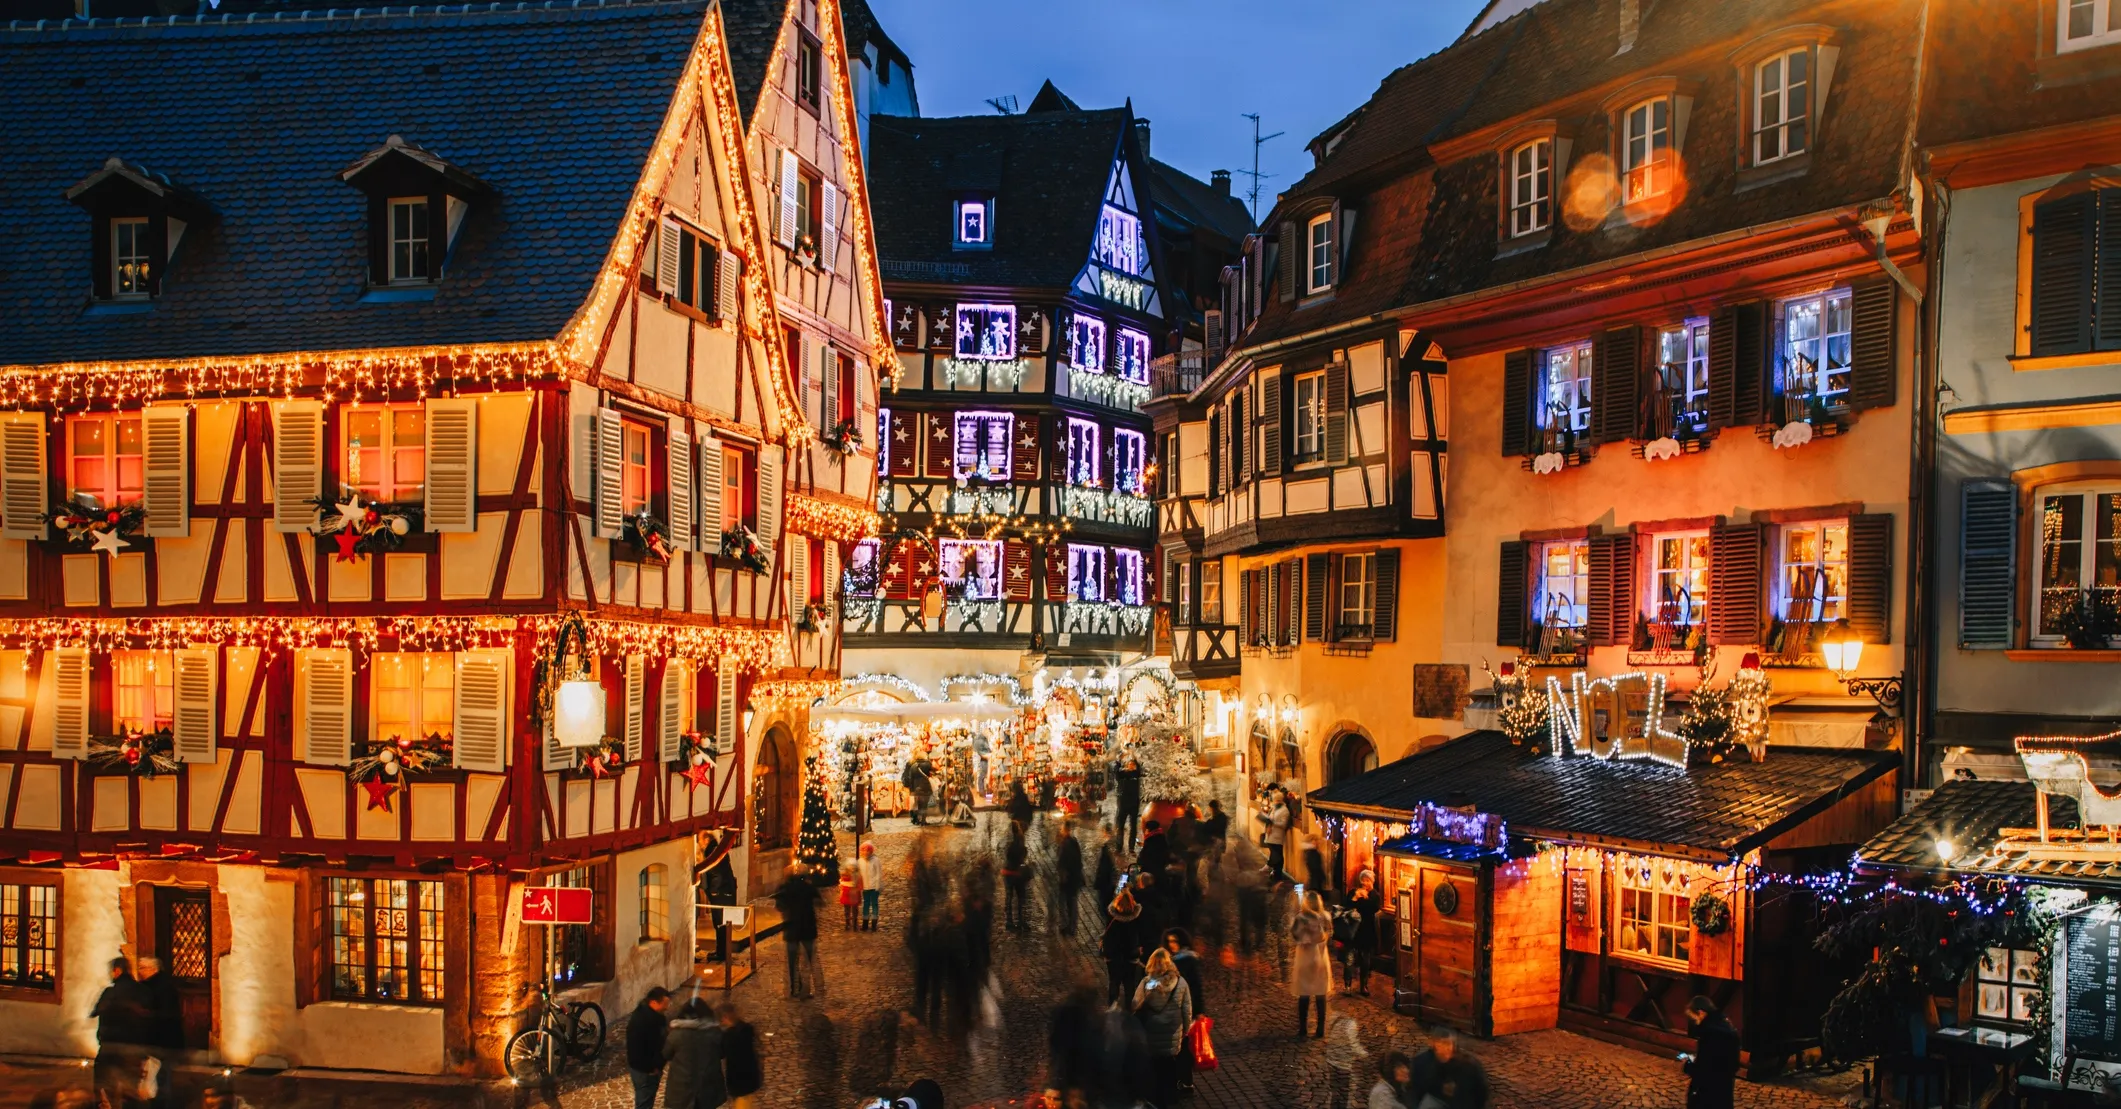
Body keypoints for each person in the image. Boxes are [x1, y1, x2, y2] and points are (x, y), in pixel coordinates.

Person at [1130, 948, 1194, 1109]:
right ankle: (1169, 1097)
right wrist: (1184, 1031)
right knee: (1169, 1067)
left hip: (1151, 1033)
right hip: (1173, 1033)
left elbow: (1135, 1005)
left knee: (1153, 1068)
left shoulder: (1146, 982)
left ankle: (1155, 1100)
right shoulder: (1180, 982)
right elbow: (1187, 1010)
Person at [92, 957, 146, 1109]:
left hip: (111, 1046)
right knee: (131, 1089)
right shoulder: (142, 992)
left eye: (113, 971)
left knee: (104, 1083)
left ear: (117, 971)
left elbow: (96, 1011)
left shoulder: (111, 992)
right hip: (135, 1048)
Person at [661, 996, 725, 1109]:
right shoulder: (715, 1032)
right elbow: (722, 1053)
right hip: (708, 1087)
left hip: (681, 1088)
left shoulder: (677, 1035)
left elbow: (666, 1054)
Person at [772, 865, 824, 999]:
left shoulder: (784, 889)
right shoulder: (808, 888)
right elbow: (820, 902)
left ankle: (793, 989)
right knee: (809, 960)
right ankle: (811, 989)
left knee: (792, 962)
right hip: (807, 928)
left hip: (792, 929)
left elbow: (779, 906)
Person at [1408, 1027, 1490, 1109]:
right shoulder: (1422, 1062)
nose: (1445, 1048)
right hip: (1435, 1098)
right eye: (1441, 1043)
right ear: (1433, 1044)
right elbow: (1416, 1090)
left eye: (1448, 1043)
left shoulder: (1469, 1064)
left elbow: (1481, 1092)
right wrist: (1440, 1087)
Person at [1683, 996, 1741, 1109]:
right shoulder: (1727, 1026)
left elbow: (1704, 1067)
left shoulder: (1709, 1033)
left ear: (1701, 1013)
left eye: (1694, 1019)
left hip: (1707, 1090)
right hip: (1725, 1086)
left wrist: (1688, 1066)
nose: (1696, 1022)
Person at [1291, 890, 1333, 1038]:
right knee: (1320, 993)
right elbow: (1330, 934)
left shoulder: (1301, 918)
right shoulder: (1325, 917)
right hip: (1321, 958)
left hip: (1305, 958)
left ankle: (1303, 1028)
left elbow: (1294, 934)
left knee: (1304, 993)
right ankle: (1320, 1028)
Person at [625, 987, 673, 1109]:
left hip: (650, 1069)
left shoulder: (654, 1016)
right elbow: (637, 1050)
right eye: (664, 1004)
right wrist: (652, 1068)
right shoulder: (642, 1021)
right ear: (653, 1002)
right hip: (645, 1071)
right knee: (644, 1103)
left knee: (647, 1100)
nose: (667, 1007)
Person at [1101, 889, 1145, 1004]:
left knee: (1114, 982)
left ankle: (1112, 1006)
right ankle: (1130, 1008)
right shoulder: (1136, 919)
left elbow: (1108, 935)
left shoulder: (1112, 917)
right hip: (1130, 955)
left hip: (1113, 956)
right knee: (1129, 984)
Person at [716, 1003, 761, 1109]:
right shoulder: (747, 1029)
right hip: (750, 1077)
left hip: (739, 1081)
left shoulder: (729, 1036)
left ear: (725, 1017)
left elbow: (721, 1053)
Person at [1345, 868, 1382, 994]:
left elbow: (1372, 909)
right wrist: (1356, 897)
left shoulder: (1375, 895)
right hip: (1353, 930)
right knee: (1350, 958)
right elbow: (1347, 906)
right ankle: (1347, 985)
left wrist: (1364, 899)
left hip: (1367, 931)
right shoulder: (1354, 892)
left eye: (1368, 880)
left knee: (1366, 960)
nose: (1365, 883)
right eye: (1363, 880)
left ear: (1372, 881)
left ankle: (1363, 985)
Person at [1325, 1016, 1370, 1109]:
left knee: (1335, 1092)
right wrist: (1364, 1054)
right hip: (1343, 1064)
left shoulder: (1336, 1019)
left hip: (1331, 1061)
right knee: (1343, 1093)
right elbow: (1353, 1044)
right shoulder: (1351, 1025)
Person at [1054, 820, 1085, 936]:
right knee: (1072, 902)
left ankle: (1068, 926)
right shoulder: (1074, 842)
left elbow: (1061, 863)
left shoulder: (1065, 844)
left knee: (1066, 903)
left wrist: (1062, 875)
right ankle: (1071, 926)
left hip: (1068, 879)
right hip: (1075, 877)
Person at [1003, 821, 1033, 931]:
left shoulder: (1009, 842)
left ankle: (1009, 921)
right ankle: (1020, 920)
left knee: (1009, 898)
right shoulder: (1020, 843)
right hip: (1017, 874)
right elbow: (1022, 855)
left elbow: (1006, 855)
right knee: (1020, 898)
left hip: (1008, 873)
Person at [1113, 757, 1143, 852]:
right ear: (1126, 765)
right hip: (1123, 804)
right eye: (1129, 764)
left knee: (1133, 827)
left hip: (1134, 804)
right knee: (1120, 826)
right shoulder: (1123, 774)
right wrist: (1118, 762)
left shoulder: (1136, 774)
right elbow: (1116, 773)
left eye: (1132, 764)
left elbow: (1139, 769)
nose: (1131, 766)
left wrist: (1135, 758)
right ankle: (1119, 847)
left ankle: (1131, 847)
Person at [1259, 790, 1290, 878]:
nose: (1274, 802)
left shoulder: (1285, 811)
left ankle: (1271, 867)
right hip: (1271, 834)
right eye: (1274, 800)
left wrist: (1273, 822)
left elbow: (1283, 824)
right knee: (1276, 854)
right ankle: (1275, 871)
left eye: (1276, 800)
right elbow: (1271, 817)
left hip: (1277, 836)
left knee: (1277, 854)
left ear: (1280, 800)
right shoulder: (1274, 808)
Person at [1093, 825, 1120, 922]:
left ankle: (1108, 925)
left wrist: (1098, 880)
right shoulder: (1116, 843)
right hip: (1112, 881)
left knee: (1103, 905)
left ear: (1105, 832)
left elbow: (1104, 867)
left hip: (1106, 882)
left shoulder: (1106, 846)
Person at [858, 841, 883, 932]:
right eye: (863, 851)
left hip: (873, 887)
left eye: (867, 851)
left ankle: (874, 924)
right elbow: (859, 874)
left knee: (874, 904)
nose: (865, 853)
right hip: (865, 887)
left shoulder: (875, 860)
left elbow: (878, 874)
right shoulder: (860, 861)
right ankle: (865, 924)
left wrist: (877, 886)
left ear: (871, 851)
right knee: (866, 905)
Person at [840, 862, 861, 931]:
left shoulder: (856, 875)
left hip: (852, 894)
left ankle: (851, 923)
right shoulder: (847, 875)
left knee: (851, 909)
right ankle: (849, 923)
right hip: (850, 894)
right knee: (849, 909)